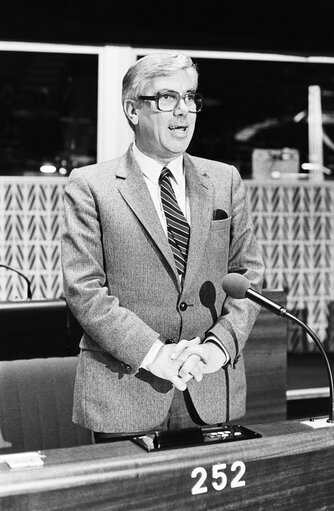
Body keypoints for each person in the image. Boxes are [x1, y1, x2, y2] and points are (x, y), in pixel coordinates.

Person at [61, 53, 265, 442]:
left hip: (211, 389)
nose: (183, 111)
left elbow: (248, 276)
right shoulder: (90, 185)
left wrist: (218, 349)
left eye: (190, 98)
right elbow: (83, 290)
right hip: (126, 392)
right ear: (132, 110)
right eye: (167, 98)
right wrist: (156, 355)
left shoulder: (225, 180)